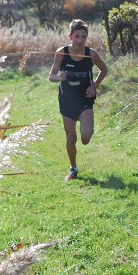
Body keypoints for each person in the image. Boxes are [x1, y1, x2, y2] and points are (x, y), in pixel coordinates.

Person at [49, 19, 108, 181]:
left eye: (83, 36)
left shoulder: (91, 54)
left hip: (85, 98)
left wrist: (94, 85)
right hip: (67, 99)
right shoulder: (62, 52)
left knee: (86, 136)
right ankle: (73, 168)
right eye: (77, 36)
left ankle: (85, 135)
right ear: (70, 36)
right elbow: (51, 76)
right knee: (71, 137)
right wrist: (59, 77)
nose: (80, 40)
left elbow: (104, 69)